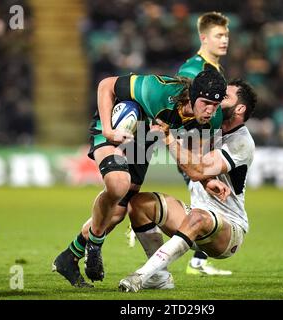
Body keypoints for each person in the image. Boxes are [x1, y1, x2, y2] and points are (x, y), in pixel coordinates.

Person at [52, 69, 227, 287]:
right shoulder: (157, 90)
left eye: (216, 105)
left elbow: (193, 162)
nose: (210, 110)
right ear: (192, 95)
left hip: (143, 140)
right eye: (205, 103)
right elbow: (106, 84)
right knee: (118, 184)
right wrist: (107, 130)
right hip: (118, 124)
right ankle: (95, 245)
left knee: (116, 214)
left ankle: (69, 258)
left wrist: (205, 180)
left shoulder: (213, 120)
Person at [118, 79, 257, 292]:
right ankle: (160, 278)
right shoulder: (206, 127)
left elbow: (195, 170)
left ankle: (143, 275)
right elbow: (188, 163)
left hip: (229, 229)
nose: (217, 99)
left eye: (225, 97)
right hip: (195, 218)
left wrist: (169, 139)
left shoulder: (241, 141)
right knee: (138, 204)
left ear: (240, 108)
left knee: (198, 216)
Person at [178, 11, 233, 276]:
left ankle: (197, 260)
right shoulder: (192, 70)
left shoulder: (215, 70)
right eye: (218, 35)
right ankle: (150, 226)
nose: (224, 40)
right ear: (204, 37)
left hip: (208, 145)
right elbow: (185, 113)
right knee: (205, 205)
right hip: (193, 146)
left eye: (226, 35)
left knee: (211, 204)